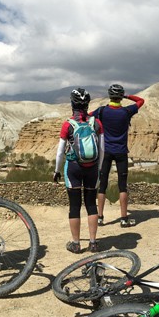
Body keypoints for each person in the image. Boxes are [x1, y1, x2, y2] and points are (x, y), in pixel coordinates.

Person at [54, 88, 104, 253]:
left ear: (72, 104)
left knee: (74, 206)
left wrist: (56, 170)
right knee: (91, 204)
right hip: (92, 169)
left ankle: (76, 244)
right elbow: (102, 149)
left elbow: (60, 152)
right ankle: (93, 242)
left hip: (73, 168)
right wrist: (99, 167)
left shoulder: (68, 124)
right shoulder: (96, 123)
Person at [92, 84, 144, 227]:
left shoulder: (101, 111)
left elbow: (88, 116)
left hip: (105, 151)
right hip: (121, 152)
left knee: (102, 185)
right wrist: (127, 97)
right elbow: (140, 101)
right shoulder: (127, 111)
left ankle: (100, 218)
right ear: (121, 97)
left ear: (109, 96)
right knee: (122, 186)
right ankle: (123, 219)